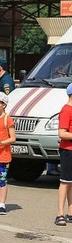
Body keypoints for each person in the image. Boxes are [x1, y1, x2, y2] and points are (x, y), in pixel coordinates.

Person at [55, 83, 72, 226]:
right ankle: (59, 213)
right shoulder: (66, 110)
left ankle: (70, 213)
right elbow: (62, 133)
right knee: (65, 182)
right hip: (68, 150)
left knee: (71, 183)